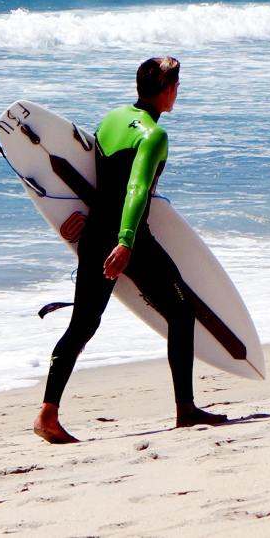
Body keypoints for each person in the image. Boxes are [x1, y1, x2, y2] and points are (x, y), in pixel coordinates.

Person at [33, 56, 228, 444]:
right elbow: (135, 189)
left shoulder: (110, 120)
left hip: (94, 236)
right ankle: (185, 409)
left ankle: (47, 414)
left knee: (83, 325)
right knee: (181, 310)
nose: (177, 93)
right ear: (169, 89)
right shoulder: (153, 135)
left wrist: (82, 221)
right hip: (130, 239)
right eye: (177, 86)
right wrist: (125, 242)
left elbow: (95, 178)